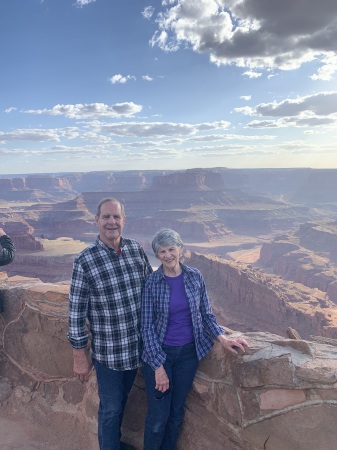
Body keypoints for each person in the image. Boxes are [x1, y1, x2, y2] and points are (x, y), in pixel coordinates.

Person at [141, 228, 249, 450]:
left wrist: (223, 339)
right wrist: (157, 367)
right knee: (158, 416)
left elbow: (206, 314)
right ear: (157, 255)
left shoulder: (194, 277)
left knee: (177, 412)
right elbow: (146, 327)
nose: (168, 255)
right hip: (161, 355)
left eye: (172, 249)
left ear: (181, 249)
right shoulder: (152, 282)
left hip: (188, 356)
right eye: (162, 251)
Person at [68, 198, 153, 450]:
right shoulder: (85, 260)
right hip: (109, 355)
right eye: (106, 217)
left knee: (122, 403)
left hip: (137, 350)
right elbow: (75, 313)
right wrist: (79, 356)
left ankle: (114, 444)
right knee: (111, 409)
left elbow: (152, 291)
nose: (111, 222)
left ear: (123, 220)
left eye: (116, 217)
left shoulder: (136, 250)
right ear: (97, 221)